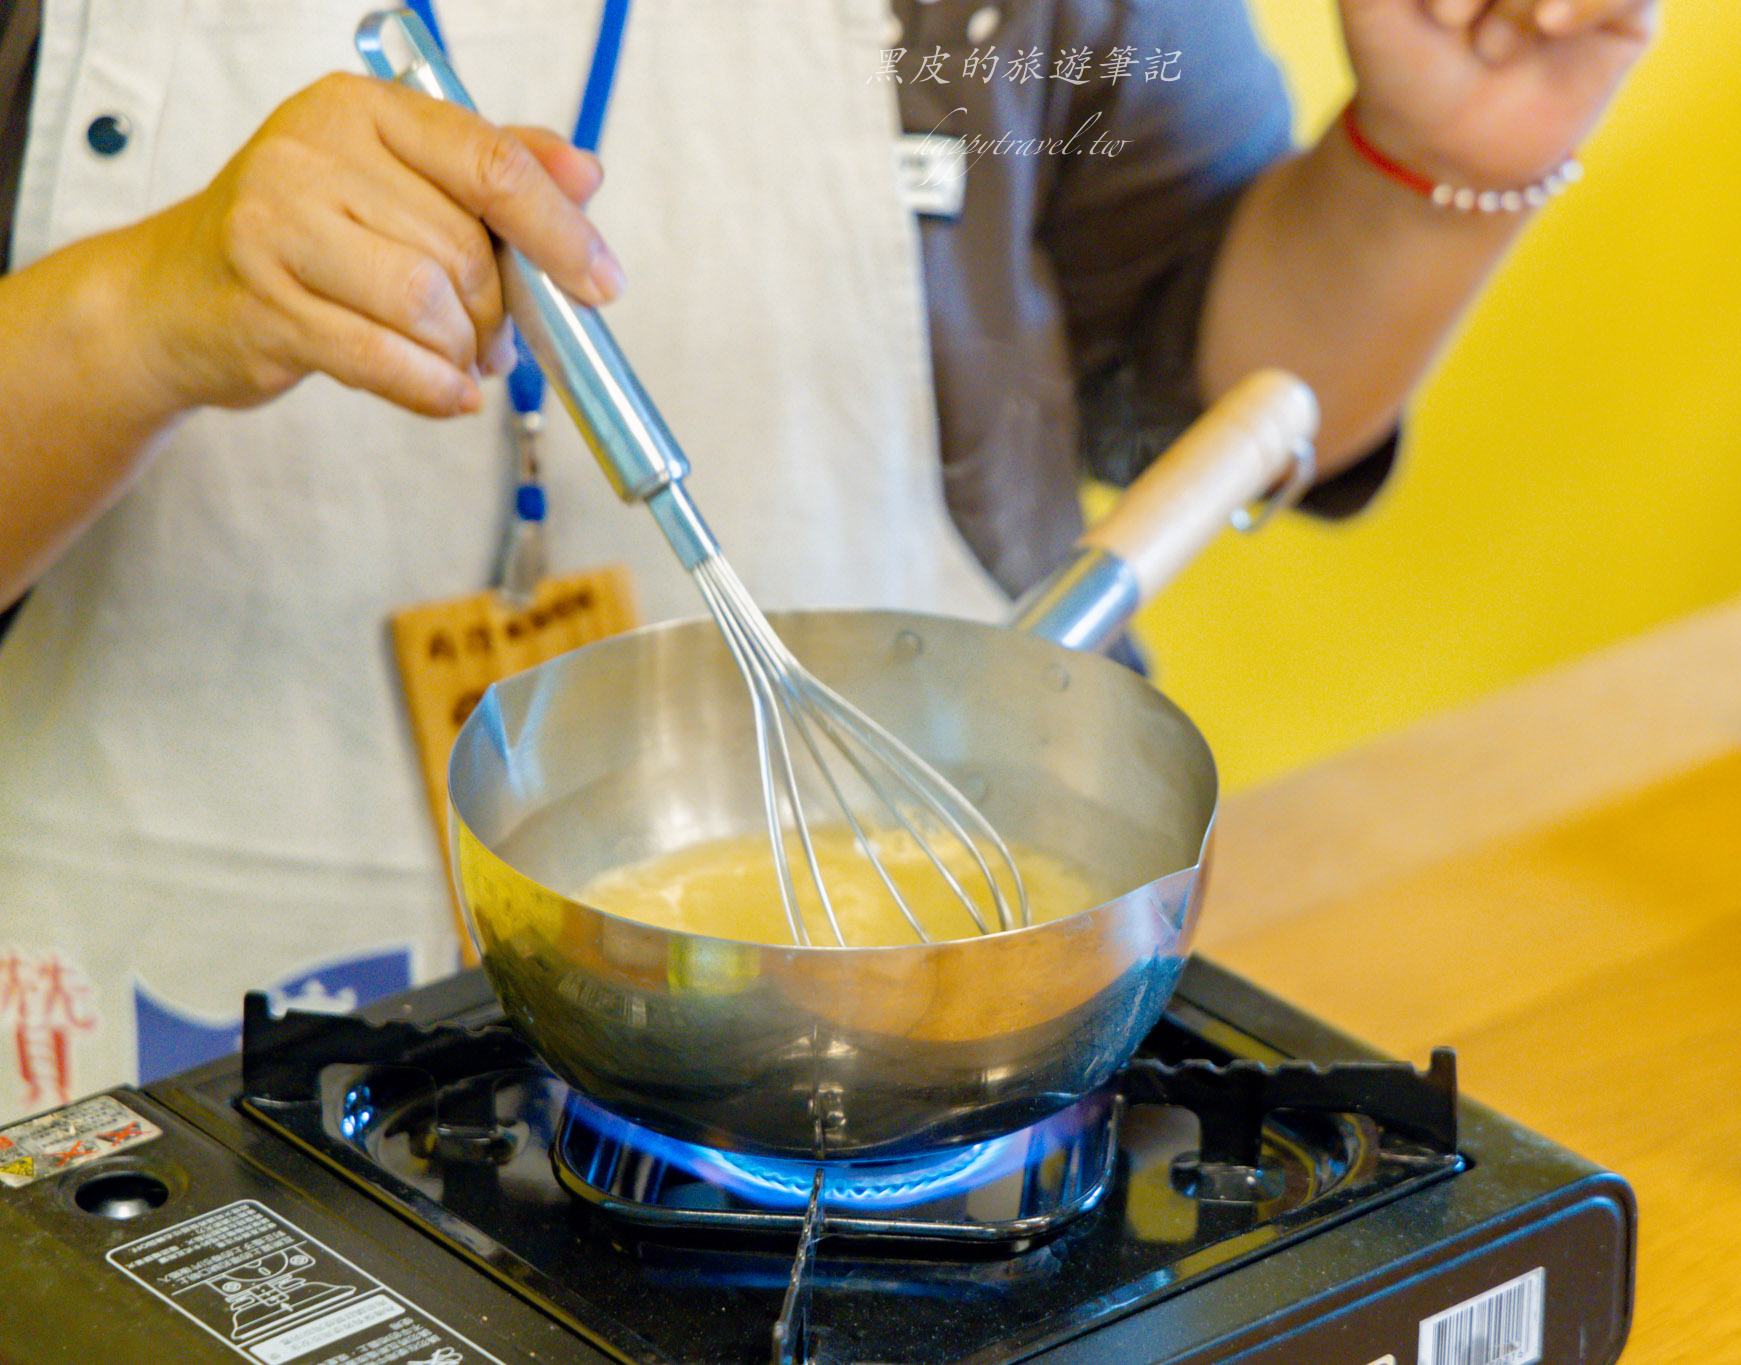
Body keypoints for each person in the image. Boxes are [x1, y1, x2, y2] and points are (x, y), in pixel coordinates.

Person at [0, 0, 1653, 1116]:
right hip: (141, 1078)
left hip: (920, 1068)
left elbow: (1205, 374)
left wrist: (1441, 158)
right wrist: (134, 313)